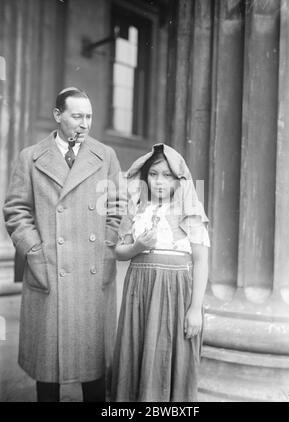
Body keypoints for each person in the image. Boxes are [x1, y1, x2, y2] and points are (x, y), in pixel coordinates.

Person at [3, 87, 125, 402]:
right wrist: (34, 251)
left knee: (94, 373)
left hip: (92, 271)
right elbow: (16, 211)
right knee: (48, 374)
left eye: (89, 117)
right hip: (49, 268)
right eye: (77, 116)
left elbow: (116, 209)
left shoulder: (105, 155)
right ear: (58, 116)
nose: (84, 124)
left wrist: (106, 247)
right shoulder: (30, 157)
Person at [110, 143, 210, 402]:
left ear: (179, 181)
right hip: (140, 290)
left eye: (167, 176)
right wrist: (137, 246)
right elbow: (118, 252)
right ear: (145, 178)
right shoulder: (137, 209)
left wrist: (195, 308)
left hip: (175, 292)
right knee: (138, 350)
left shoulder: (190, 212)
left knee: (169, 352)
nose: (160, 182)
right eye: (153, 174)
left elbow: (201, 261)